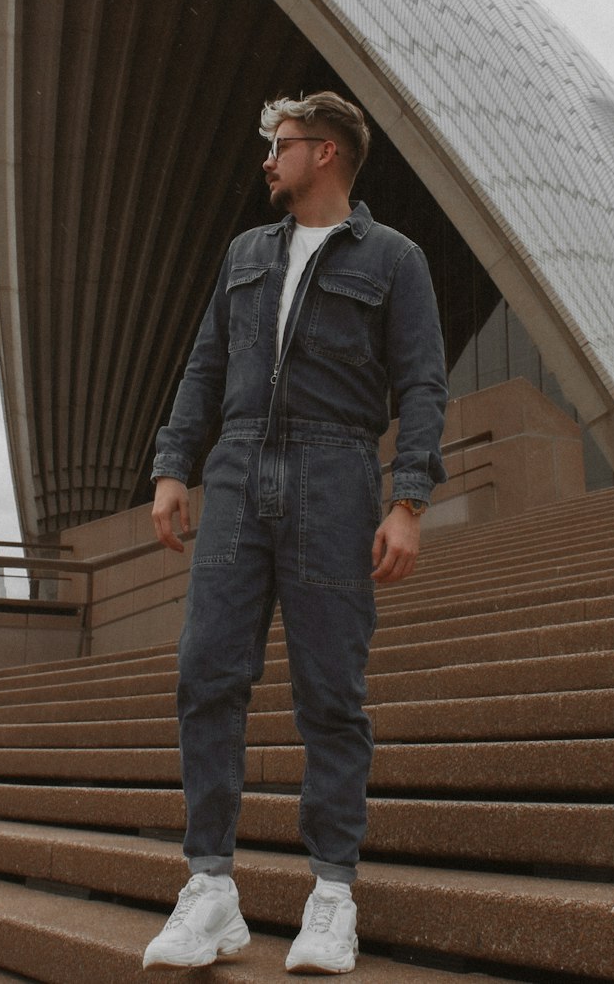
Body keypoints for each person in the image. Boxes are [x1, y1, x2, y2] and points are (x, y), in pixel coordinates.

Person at [143, 92, 447, 974]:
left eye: (280, 146)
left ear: (325, 153)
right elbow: (206, 360)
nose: (267, 160)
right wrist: (174, 465)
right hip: (238, 474)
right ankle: (210, 890)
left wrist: (410, 499)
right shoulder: (247, 254)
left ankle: (331, 894)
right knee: (207, 671)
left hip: (336, 477)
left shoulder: (395, 259)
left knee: (329, 692)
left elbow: (422, 384)